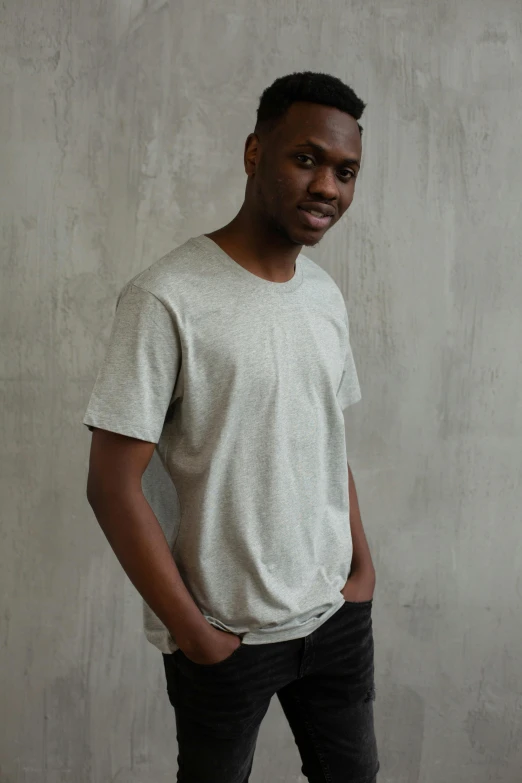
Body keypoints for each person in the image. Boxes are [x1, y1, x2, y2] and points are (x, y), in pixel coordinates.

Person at [84, 70, 379, 782]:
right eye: (306, 159)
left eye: (346, 171)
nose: (328, 188)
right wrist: (193, 628)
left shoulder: (324, 294)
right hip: (228, 633)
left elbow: (325, 440)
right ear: (254, 152)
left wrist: (361, 569)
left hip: (335, 618)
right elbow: (110, 485)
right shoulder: (167, 297)